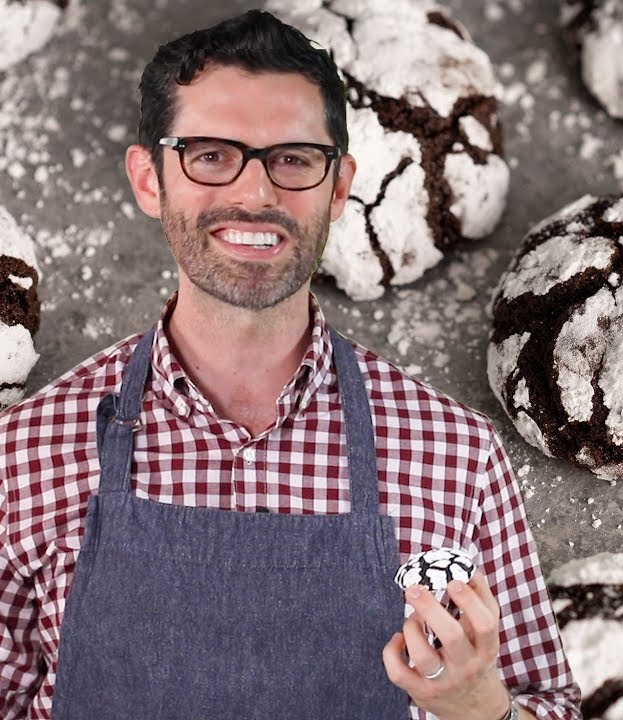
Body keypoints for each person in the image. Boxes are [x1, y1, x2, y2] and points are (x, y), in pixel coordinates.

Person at [0, 10, 579, 720]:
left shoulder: (454, 454)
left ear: (339, 187)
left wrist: (483, 707)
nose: (255, 193)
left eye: (294, 159)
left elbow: (547, 703)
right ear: (149, 180)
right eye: (210, 155)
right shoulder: (26, 452)